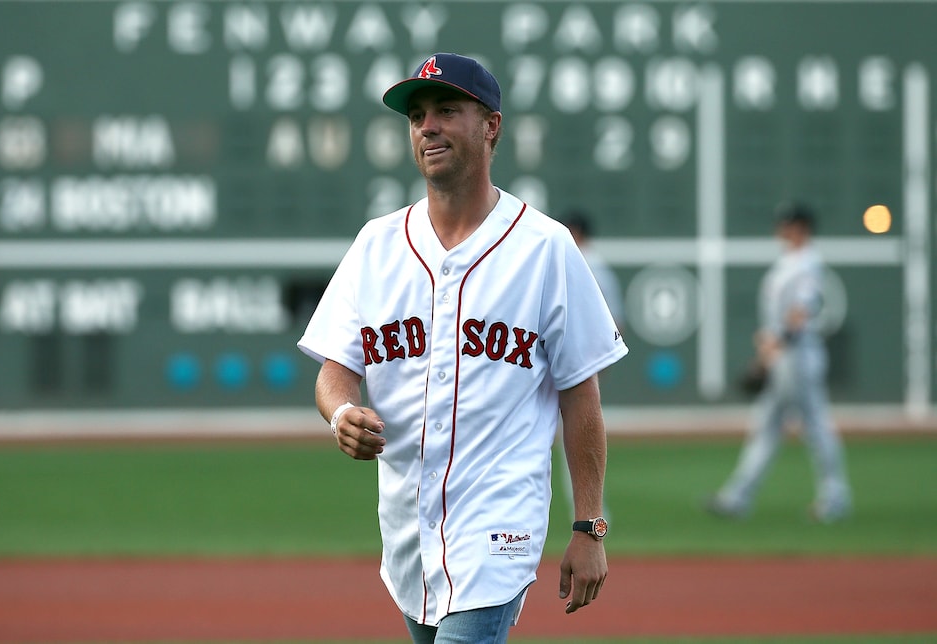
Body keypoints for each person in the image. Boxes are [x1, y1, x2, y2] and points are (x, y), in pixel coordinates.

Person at [297, 53, 628, 643]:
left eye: (447, 110)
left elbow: (582, 397)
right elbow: (335, 370)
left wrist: (590, 525)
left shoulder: (546, 248)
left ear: (490, 125)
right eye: (418, 115)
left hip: (500, 529)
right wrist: (342, 413)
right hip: (407, 532)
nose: (428, 127)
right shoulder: (376, 246)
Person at [704, 201, 852, 524]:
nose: (780, 229)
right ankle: (737, 497)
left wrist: (774, 344)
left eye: (786, 224)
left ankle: (835, 498)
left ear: (801, 227)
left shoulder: (808, 262)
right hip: (786, 356)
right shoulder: (791, 260)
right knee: (769, 427)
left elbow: (802, 310)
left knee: (814, 427)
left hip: (798, 355)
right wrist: (771, 350)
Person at [556, 210, 624, 520]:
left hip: (575, 362)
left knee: (574, 437)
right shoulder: (583, 263)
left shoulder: (587, 264)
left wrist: (594, 369)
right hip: (572, 360)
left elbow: (610, 321)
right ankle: (591, 513)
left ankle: (590, 515)